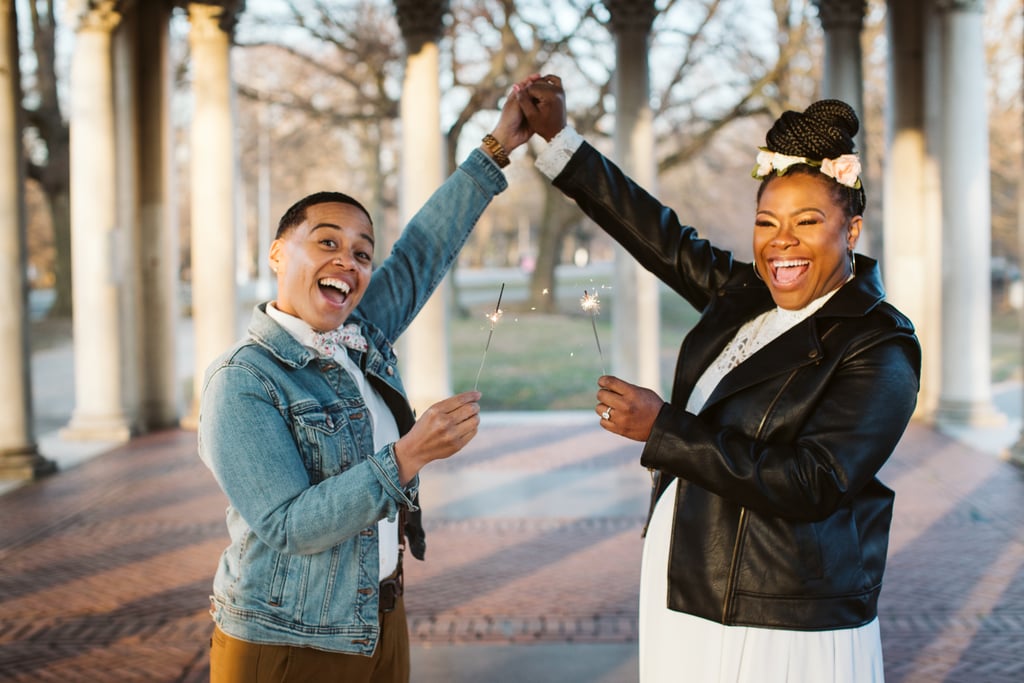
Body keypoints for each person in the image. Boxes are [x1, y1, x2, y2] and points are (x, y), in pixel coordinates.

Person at [517, 76, 921, 682]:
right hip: (686, 585)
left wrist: (664, 429)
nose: (781, 242)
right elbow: (660, 237)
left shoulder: (879, 343)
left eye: (807, 221)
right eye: (766, 222)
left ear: (852, 231)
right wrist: (561, 142)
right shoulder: (745, 297)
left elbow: (815, 482)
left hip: (779, 617)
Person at [197, 87, 531, 682]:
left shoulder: (361, 335)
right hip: (286, 642)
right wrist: (409, 455)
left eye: (360, 252)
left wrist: (498, 145)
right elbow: (289, 527)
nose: (347, 262)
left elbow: (421, 252)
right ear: (278, 252)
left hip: (379, 620)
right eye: (326, 241)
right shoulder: (242, 380)